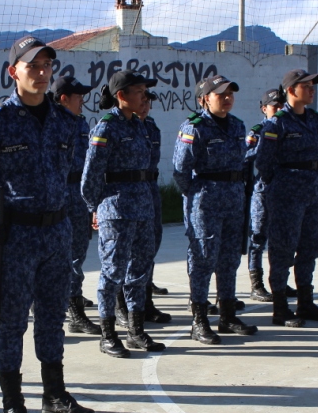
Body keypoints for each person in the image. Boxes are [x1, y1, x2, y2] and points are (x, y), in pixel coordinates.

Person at [0, 35, 97, 413]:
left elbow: (70, 177)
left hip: (56, 232)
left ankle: (54, 394)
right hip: (15, 237)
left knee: (53, 319)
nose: (40, 73)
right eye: (32, 66)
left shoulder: (66, 122)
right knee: (12, 323)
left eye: (46, 66)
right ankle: (12, 402)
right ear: (13, 72)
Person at [82, 70, 165, 358]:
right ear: (122, 96)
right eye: (139, 91)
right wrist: (95, 207)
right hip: (115, 209)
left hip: (142, 207)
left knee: (140, 272)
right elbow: (90, 174)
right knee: (112, 272)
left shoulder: (141, 127)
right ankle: (108, 334)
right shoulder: (106, 128)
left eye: (145, 91)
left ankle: (136, 331)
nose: (144, 96)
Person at [173, 75, 258, 344]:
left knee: (230, 258)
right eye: (220, 93)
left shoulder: (237, 125)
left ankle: (228, 315)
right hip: (206, 201)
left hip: (233, 199)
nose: (227, 97)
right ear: (204, 99)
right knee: (203, 259)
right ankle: (199, 321)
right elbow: (181, 171)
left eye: (230, 93)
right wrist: (196, 196)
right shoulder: (194, 127)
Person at [254, 69, 318, 327]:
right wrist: (278, 187)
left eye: (313, 85)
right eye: (306, 86)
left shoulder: (315, 119)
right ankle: (280, 307)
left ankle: (305, 302)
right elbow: (264, 163)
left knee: (310, 246)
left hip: (313, 191)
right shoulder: (276, 124)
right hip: (287, 193)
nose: (312, 89)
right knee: (282, 249)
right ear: (291, 91)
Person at [50, 75, 100, 336]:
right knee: (61, 258)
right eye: (78, 96)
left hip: (78, 195)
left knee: (77, 255)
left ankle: (72, 305)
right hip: (58, 196)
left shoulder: (80, 123)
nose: (83, 100)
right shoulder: (50, 124)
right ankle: (71, 310)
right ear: (63, 98)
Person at [246, 88, 296, 303]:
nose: (277, 111)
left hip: (285, 189)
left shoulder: (289, 127)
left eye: (281, 106)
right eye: (273, 107)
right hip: (264, 190)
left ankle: (281, 281)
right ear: (263, 108)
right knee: (258, 237)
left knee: (284, 237)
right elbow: (245, 158)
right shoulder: (257, 131)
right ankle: (256, 284)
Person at [136, 90, 171, 325]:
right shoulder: (116, 127)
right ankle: (128, 307)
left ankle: (146, 302)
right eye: (143, 99)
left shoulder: (151, 126)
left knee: (150, 248)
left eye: (149, 101)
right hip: (128, 193)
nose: (146, 105)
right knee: (127, 254)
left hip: (150, 190)